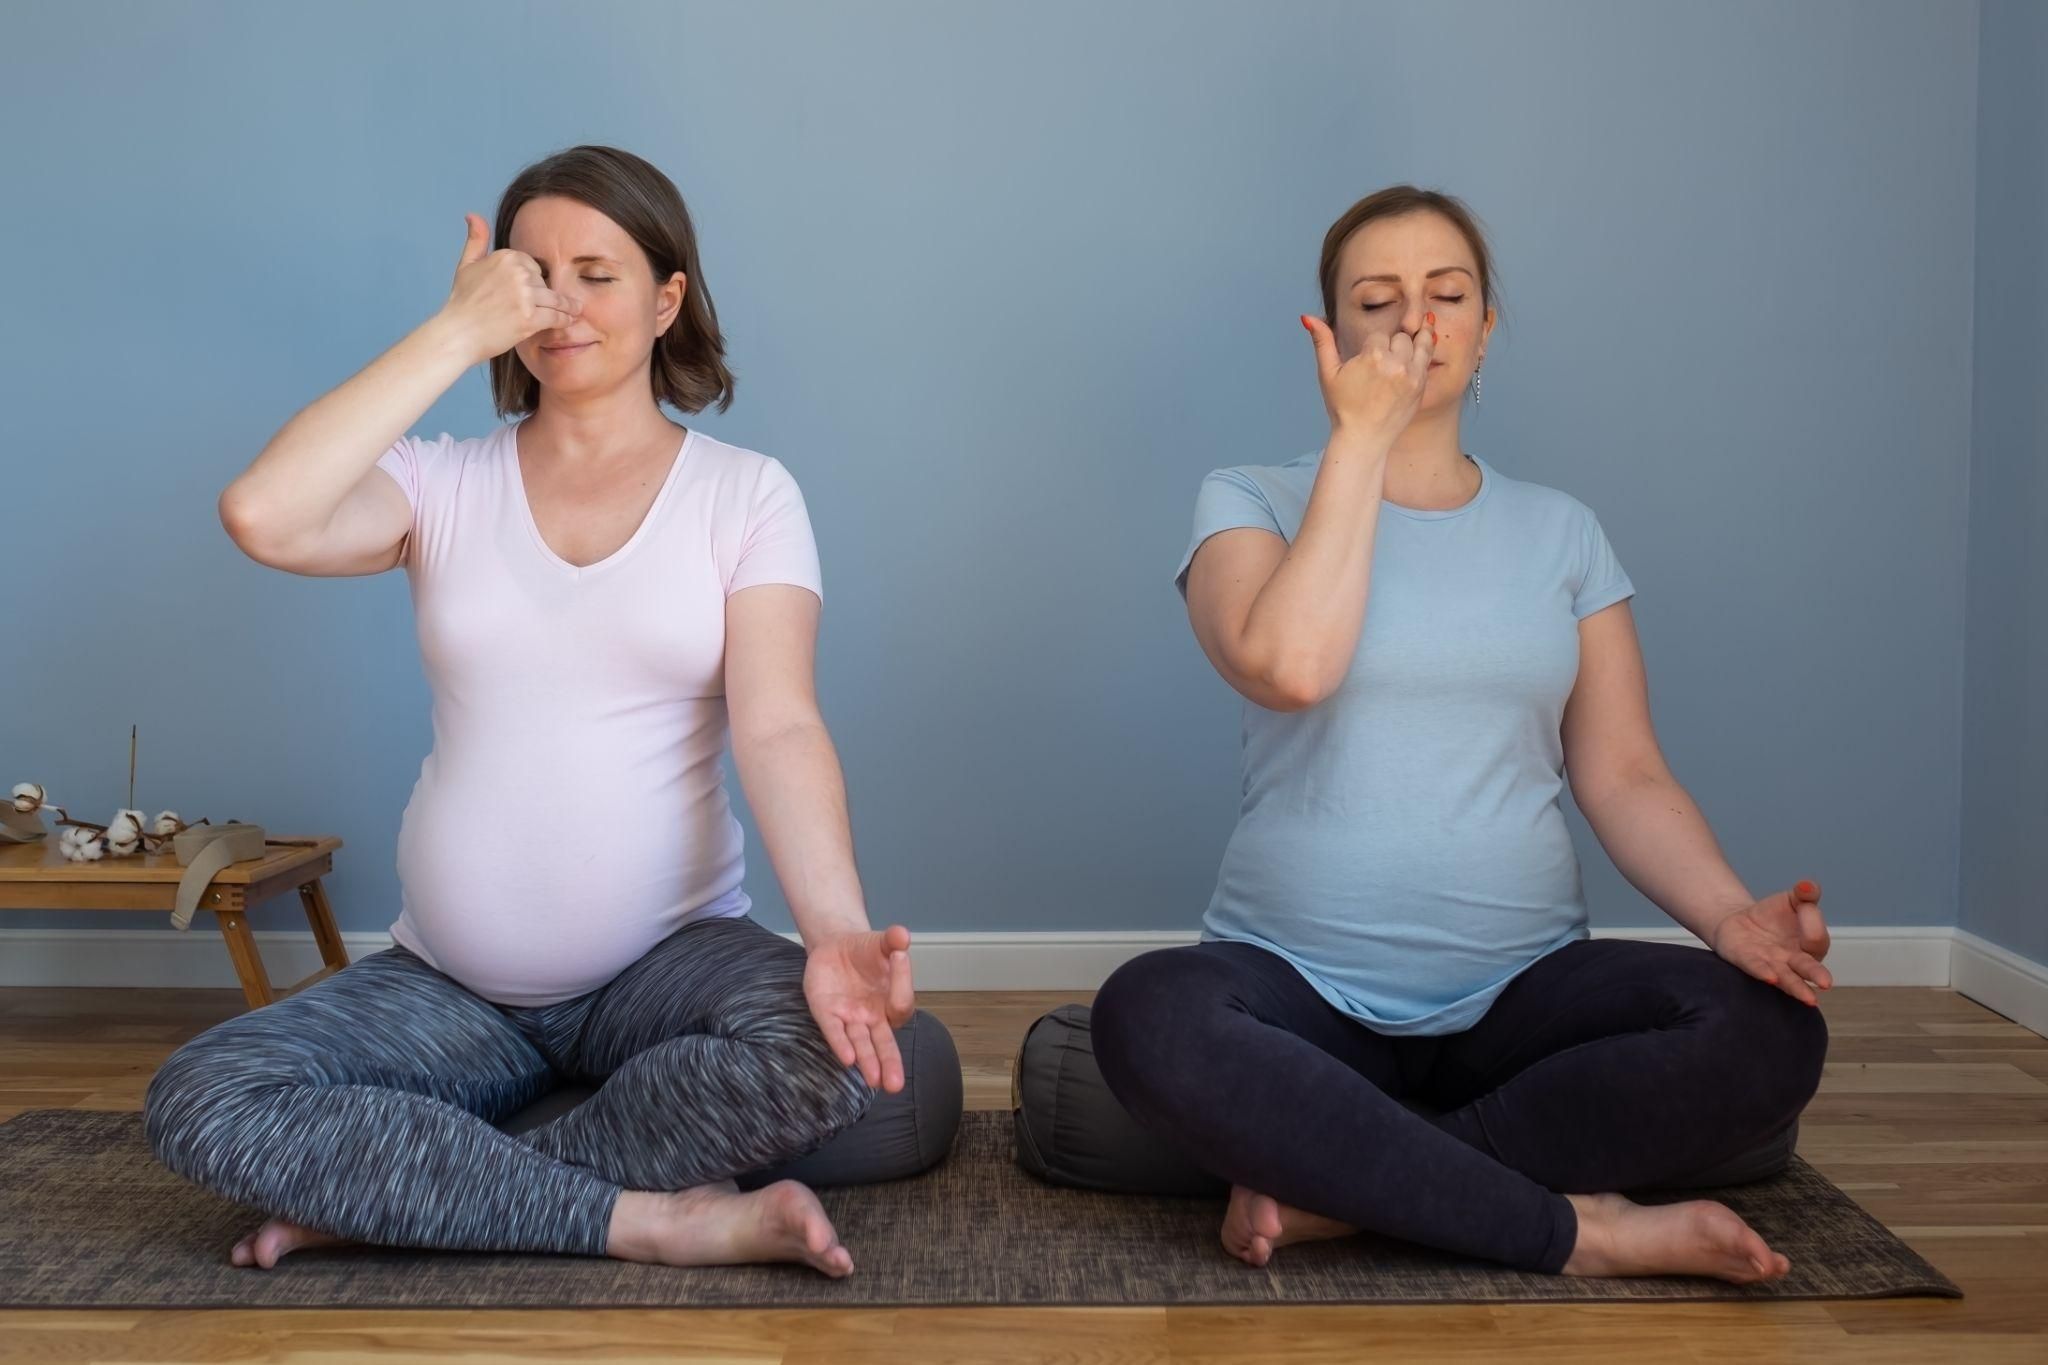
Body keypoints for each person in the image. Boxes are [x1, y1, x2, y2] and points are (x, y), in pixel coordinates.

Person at [146, 145, 959, 1278]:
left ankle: (414, 1192)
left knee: (834, 1057)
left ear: (667, 299)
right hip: (448, 987)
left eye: (596, 272)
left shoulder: (744, 493)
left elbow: (778, 726)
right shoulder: (435, 485)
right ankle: (649, 1218)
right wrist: (448, 335)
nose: (560, 305)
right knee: (201, 1094)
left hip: (666, 966)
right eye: (531, 276)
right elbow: (263, 513)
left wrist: (831, 930)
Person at [1090, 186, 1830, 1284]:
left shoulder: (1561, 532)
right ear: (1331, 336)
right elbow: (1289, 668)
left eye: (1446, 295)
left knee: (1772, 1032)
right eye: (1376, 300)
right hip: (1295, 992)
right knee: (1143, 1015)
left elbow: (1622, 774)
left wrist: (1729, 920)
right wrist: (1359, 445)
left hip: (1519, 995)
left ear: (1486, 329)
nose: (1413, 323)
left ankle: (1348, 1195)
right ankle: (1581, 1232)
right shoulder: (1246, 498)